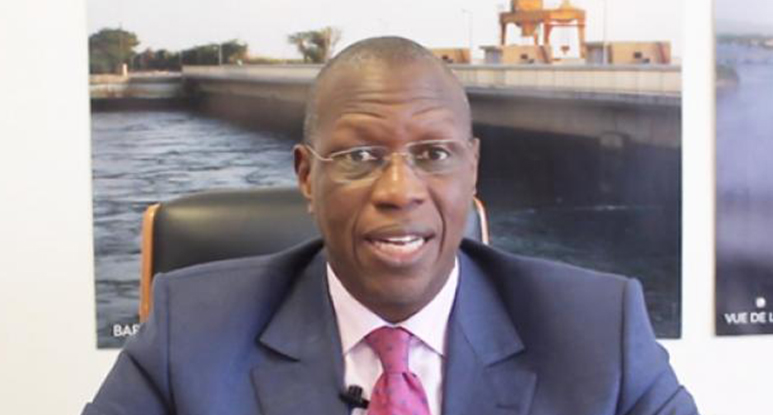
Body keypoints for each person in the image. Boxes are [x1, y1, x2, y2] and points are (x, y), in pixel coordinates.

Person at [84, 37, 699, 415]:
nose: (399, 191)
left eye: (433, 154)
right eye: (359, 156)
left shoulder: (599, 331)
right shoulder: (193, 331)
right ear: (307, 176)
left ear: (472, 168)